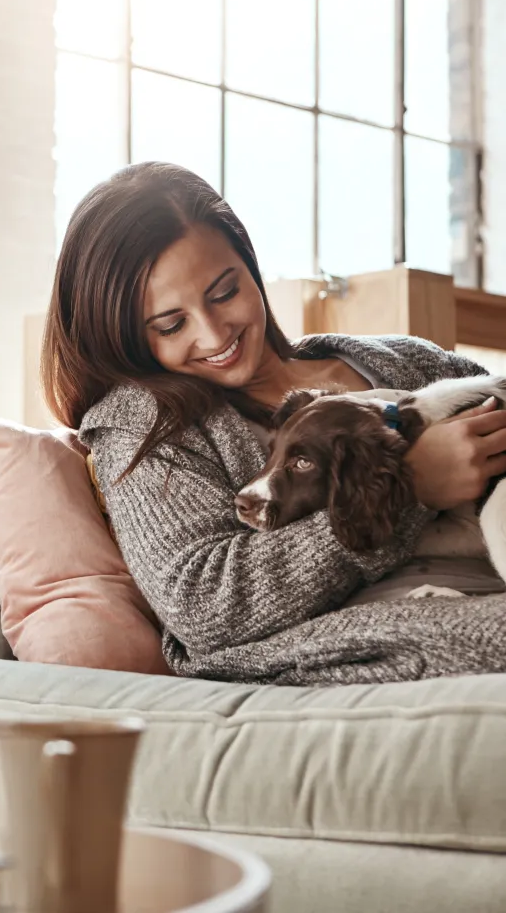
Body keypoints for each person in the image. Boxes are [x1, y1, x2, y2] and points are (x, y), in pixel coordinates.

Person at [41, 162, 506, 685]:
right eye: (171, 324)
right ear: (125, 337)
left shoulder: (407, 362)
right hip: (374, 627)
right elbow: (205, 607)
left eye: (224, 292)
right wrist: (409, 487)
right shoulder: (142, 422)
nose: (215, 334)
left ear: (250, 267)